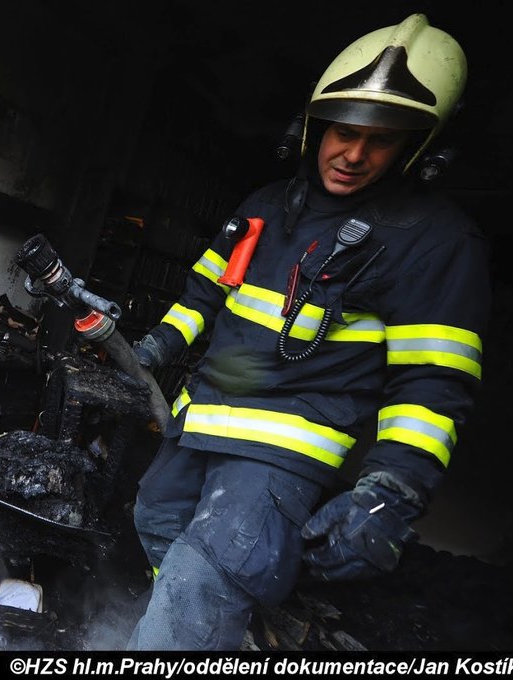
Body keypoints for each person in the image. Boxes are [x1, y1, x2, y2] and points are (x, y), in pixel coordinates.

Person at [128, 14, 490, 650]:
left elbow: (432, 381)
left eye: (381, 142)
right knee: (156, 524)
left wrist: (392, 490)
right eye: (344, 133)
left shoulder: (434, 241)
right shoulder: (265, 206)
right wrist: (157, 346)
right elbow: (204, 295)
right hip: (199, 419)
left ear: (418, 149)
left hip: (282, 450)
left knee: (209, 572)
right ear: (313, 128)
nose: (354, 155)